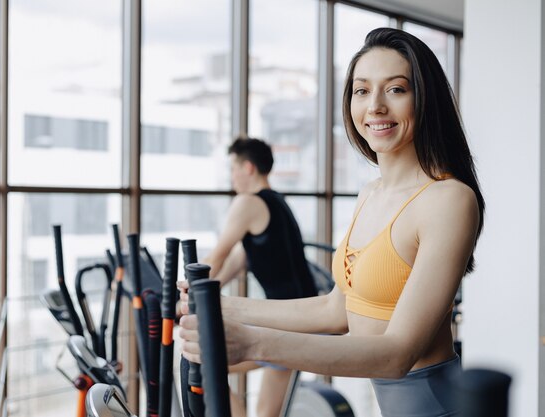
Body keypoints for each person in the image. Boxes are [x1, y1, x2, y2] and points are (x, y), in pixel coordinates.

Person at [180, 27, 485, 417]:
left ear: (424, 100)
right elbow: (335, 312)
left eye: (395, 89)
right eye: (362, 90)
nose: (374, 106)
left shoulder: (448, 200)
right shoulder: (370, 193)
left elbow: (397, 354)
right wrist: (221, 307)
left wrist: (253, 343)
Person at [202, 137, 318, 417]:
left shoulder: (248, 204)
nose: (232, 177)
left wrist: (186, 288)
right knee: (213, 366)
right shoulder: (276, 201)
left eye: (233, 169)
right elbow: (237, 260)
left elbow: (217, 256)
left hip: (288, 322)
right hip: (297, 315)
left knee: (211, 368)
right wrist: (207, 288)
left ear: (249, 168)